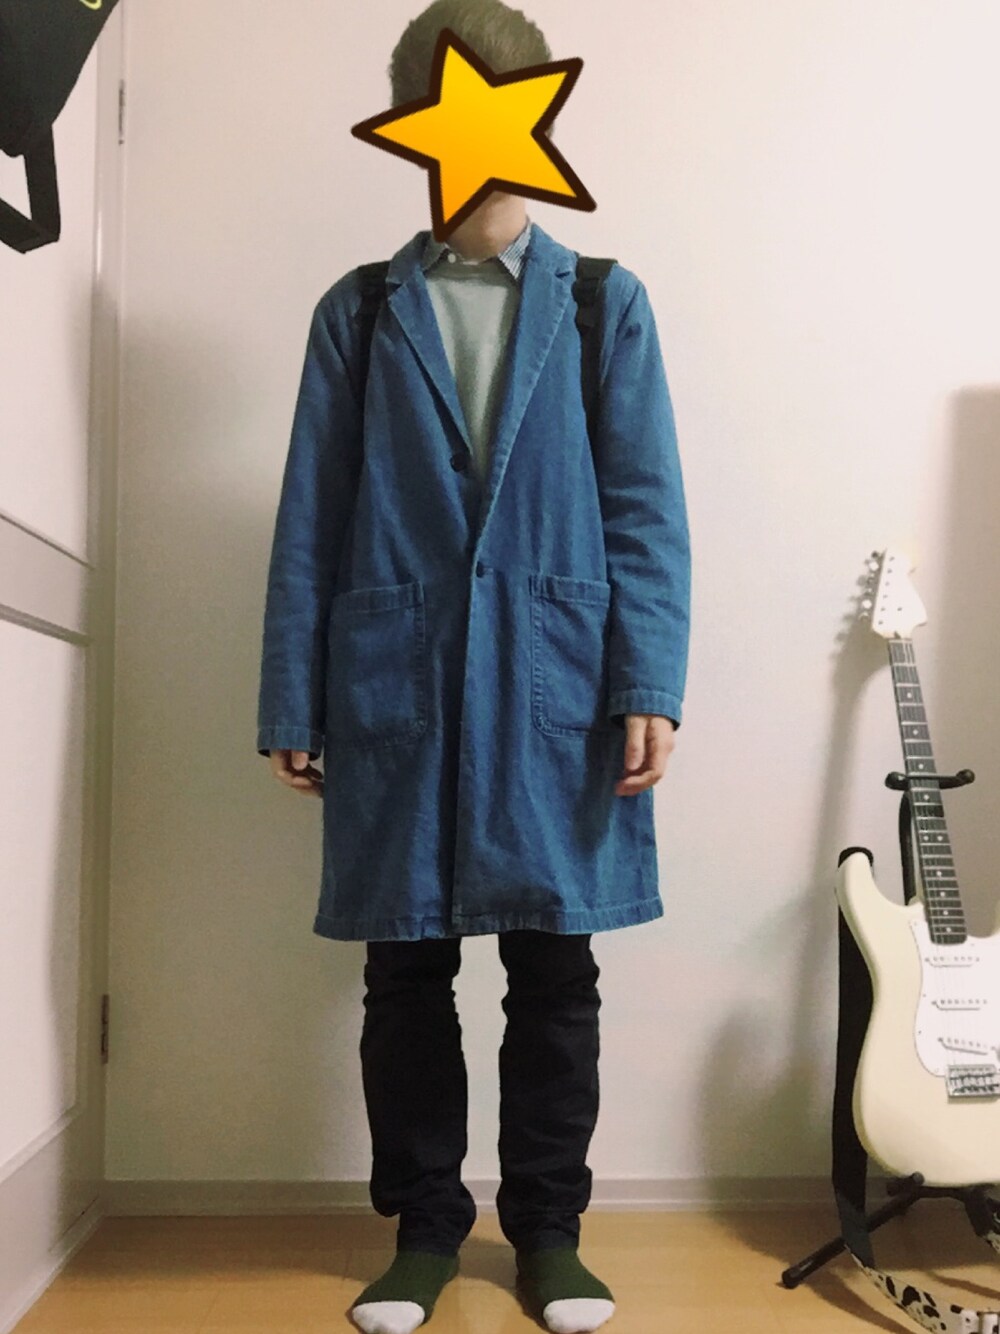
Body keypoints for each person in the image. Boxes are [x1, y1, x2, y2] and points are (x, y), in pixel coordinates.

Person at [256, 3, 691, 1331]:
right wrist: (293, 693)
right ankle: (425, 1230)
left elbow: (644, 506)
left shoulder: (604, 302)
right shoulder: (360, 309)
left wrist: (649, 680)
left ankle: (550, 1231)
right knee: (407, 970)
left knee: (556, 971)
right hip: (398, 676)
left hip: (559, 678)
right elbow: (313, 513)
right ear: (411, 130)